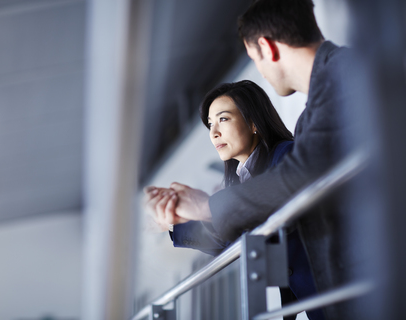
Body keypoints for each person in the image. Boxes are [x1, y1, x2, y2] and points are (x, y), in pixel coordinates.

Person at [145, 0, 354, 318]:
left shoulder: (342, 76)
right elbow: (246, 235)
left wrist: (205, 206)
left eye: (254, 59)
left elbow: (298, 178)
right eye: (210, 125)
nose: (214, 133)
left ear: (266, 48)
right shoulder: (319, 104)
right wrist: (180, 221)